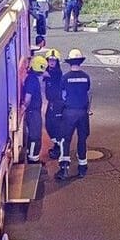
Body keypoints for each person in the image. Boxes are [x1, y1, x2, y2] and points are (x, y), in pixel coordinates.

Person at [56, 49, 91, 180]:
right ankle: (82, 167)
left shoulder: (65, 78)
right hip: (83, 113)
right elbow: (87, 91)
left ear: (70, 63)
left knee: (65, 140)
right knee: (82, 140)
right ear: (80, 62)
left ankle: (64, 169)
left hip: (69, 112)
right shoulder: (86, 77)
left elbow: (62, 96)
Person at [22, 56, 49, 164]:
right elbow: (28, 98)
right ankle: (33, 160)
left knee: (34, 135)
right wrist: (24, 107)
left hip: (33, 111)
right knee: (35, 135)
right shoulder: (32, 81)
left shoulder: (31, 78)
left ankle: (32, 156)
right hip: (33, 112)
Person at [43, 49, 64, 160]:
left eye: (54, 60)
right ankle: (57, 145)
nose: (51, 62)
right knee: (49, 124)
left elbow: (44, 73)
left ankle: (59, 148)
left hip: (56, 103)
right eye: (50, 60)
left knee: (53, 125)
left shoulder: (56, 72)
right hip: (52, 102)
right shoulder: (49, 69)